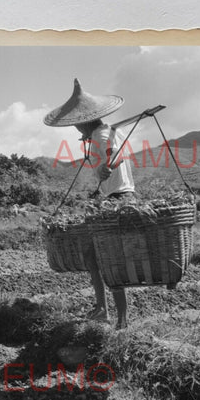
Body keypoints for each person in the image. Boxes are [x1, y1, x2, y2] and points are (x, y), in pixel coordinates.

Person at [44, 78, 136, 329]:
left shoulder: (100, 137)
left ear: (84, 120)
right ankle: (102, 310)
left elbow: (111, 159)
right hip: (118, 196)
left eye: (76, 123)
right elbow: (113, 157)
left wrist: (107, 168)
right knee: (94, 256)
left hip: (117, 199)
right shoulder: (107, 133)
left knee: (107, 258)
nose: (75, 128)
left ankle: (120, 319)